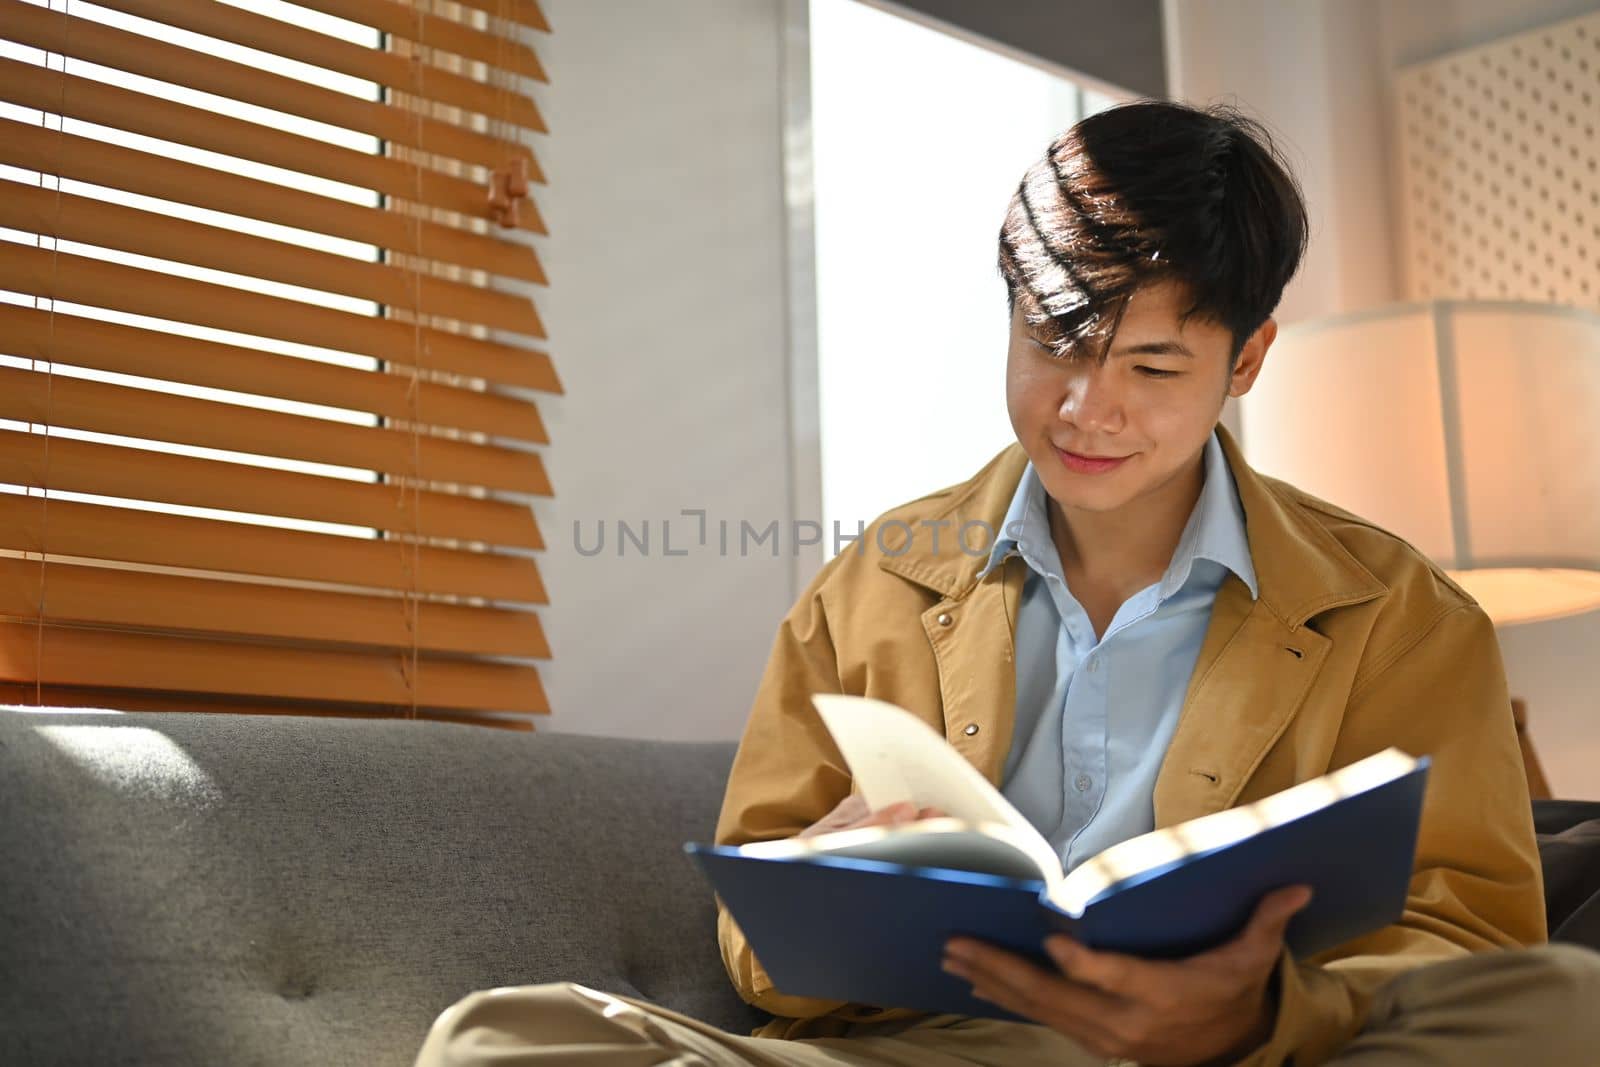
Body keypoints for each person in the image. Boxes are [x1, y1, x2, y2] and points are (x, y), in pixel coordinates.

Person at [415, 101, 1600, 1067]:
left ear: (1245, 359)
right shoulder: (869, 582)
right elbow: (751, 946)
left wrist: (1255, 1014)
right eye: (1054, 345)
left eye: (1150, 363)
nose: (1086, 409)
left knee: (1563, 1005)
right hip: (940, 1053)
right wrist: (814, 880)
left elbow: (1468, 935)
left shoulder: (1396, 612)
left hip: (1257, 1055)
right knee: (494, 1040)